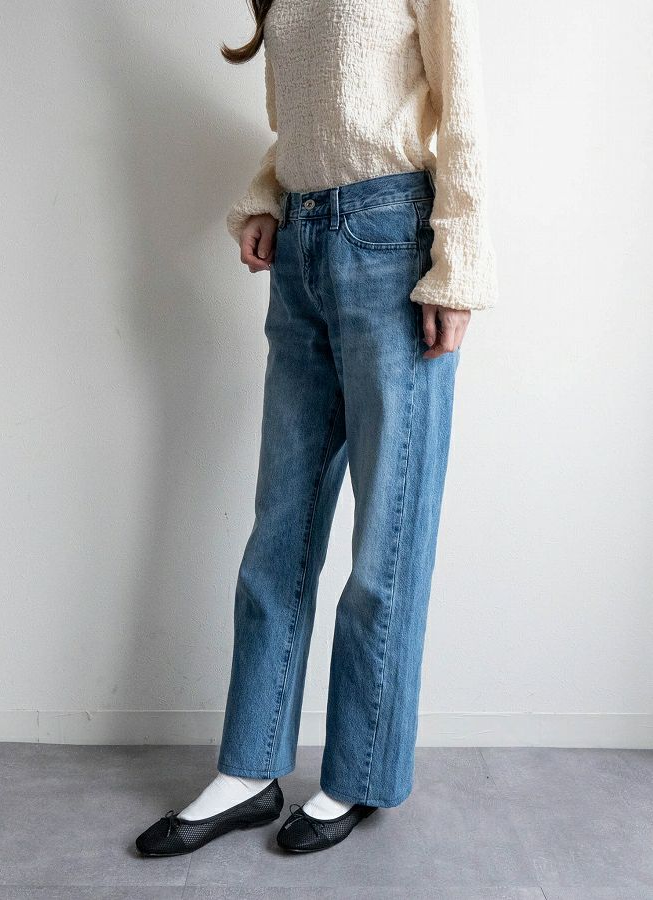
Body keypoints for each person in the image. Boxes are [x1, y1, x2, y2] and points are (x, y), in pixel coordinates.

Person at [136, 0, 497, 858]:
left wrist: (459, 268)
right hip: (301, 252)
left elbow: (464, 108)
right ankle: (249, 768)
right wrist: (267, 196)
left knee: (386, 541)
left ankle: (359, 774)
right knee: (280, 532)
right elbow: (308, 126)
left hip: (393, 245)